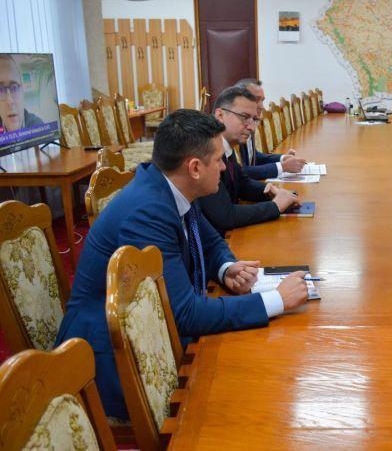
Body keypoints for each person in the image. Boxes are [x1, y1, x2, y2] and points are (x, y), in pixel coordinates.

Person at [56, 109, 311, 419]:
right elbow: (186, 314)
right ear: (195, 168)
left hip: (154, 330)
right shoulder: (147, 213)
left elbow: (211, 241)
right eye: (218, 160)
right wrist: (276, 300)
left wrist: (226, 269)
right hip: (113, 357)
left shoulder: (171, 186)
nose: (223, 167)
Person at [198, 86, 300, 236]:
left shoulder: (227, 146)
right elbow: (225, 215)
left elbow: (242, 184)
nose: (252, 127)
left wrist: (270, 192)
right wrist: (275, 206)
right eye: (244, 117)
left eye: (254, 119)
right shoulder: (205, 151)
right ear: (220, 115)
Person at [233, 78, 306, 180]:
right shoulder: (234, 129)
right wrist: (282, 167)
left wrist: (283, 158)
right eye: (256, 100)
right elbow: (240, 172)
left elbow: (255, 157)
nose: (262, 106)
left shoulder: (251, 122)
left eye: (262, 100)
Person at [0, 54, 44, 133]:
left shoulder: (38, 127)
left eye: (14, 88)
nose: (10, 101)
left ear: (22, 91)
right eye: (0, 90)